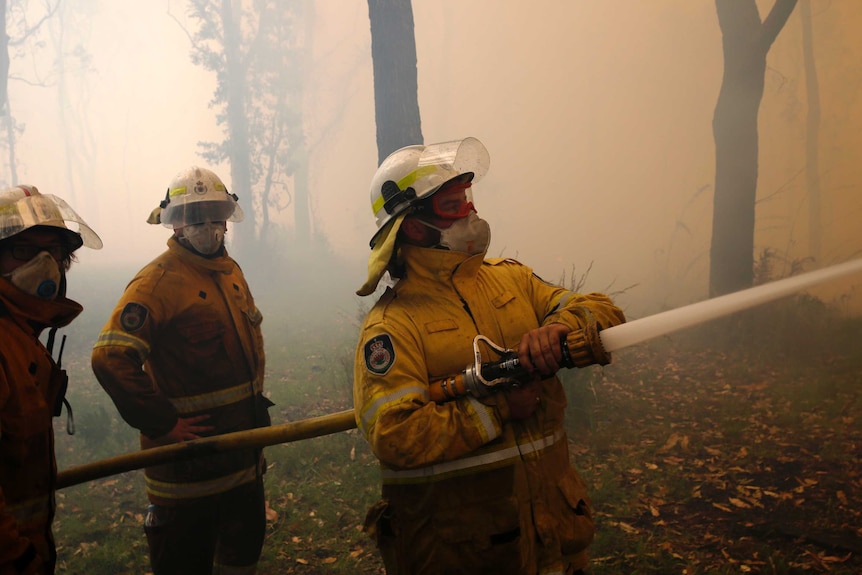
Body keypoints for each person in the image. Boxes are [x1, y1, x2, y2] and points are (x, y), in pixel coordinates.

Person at [352, 137, 626, 575]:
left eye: (467, 198)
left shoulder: (511, 281)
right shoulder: (392, 327)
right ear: (414, 226)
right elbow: (394, 434)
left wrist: (563, 327)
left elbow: (603, 311)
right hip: (465, 554)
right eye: (451, 204)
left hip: (556, 537)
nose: (470, 213)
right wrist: (497, 410)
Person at [91, 166, 271, 575]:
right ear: (174, 224)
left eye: (214, 215)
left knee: (240, 563)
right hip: (187, 473)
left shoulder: (230, 273)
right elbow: (110, 357)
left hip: (242, 461)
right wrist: (162, 425)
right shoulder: (156, 283)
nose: (207, 227)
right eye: (194, 216)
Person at [0, 185, 102, 574]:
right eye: (23, 251)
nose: (45, 265)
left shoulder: (21, 334)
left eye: (54, 253)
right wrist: (17, 559)